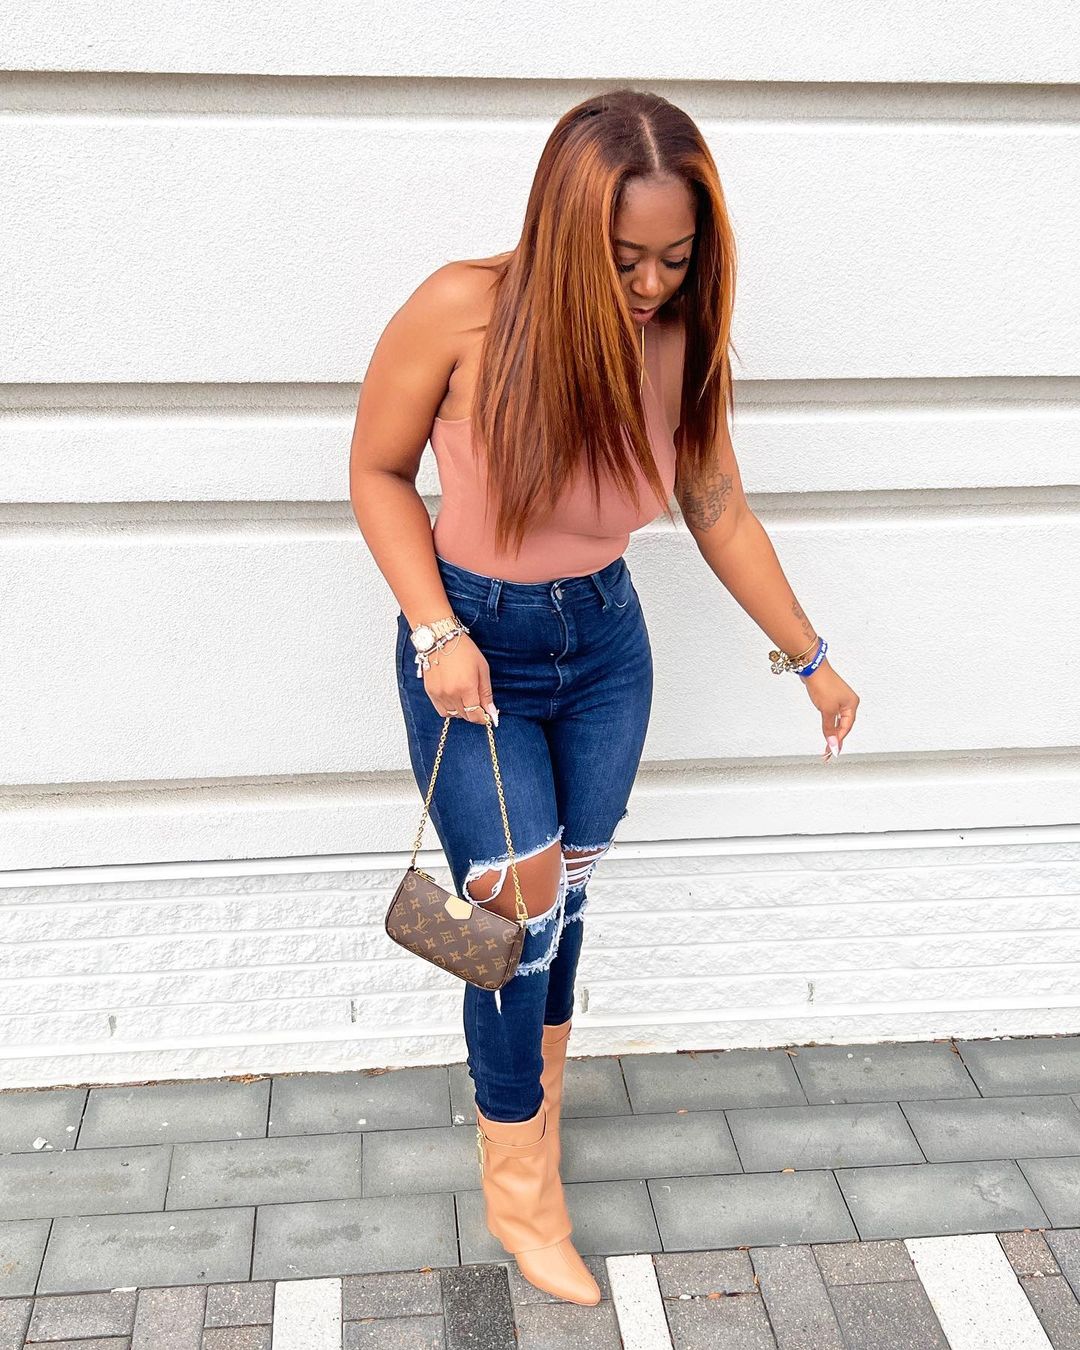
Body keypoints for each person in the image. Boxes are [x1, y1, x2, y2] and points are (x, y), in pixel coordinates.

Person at [349, 87, 860, 1305]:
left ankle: (534, 1117)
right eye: (625, 257)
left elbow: (716, 507)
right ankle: (522, 1189)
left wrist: (810, 658)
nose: (649, 284)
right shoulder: (462, 308)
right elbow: (376, 470)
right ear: (565, 223)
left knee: (565, 900)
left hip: (604, 649)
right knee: (513, 913)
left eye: (676, 259)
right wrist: (435, 630)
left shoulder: (678, 337)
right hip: (473, 645)